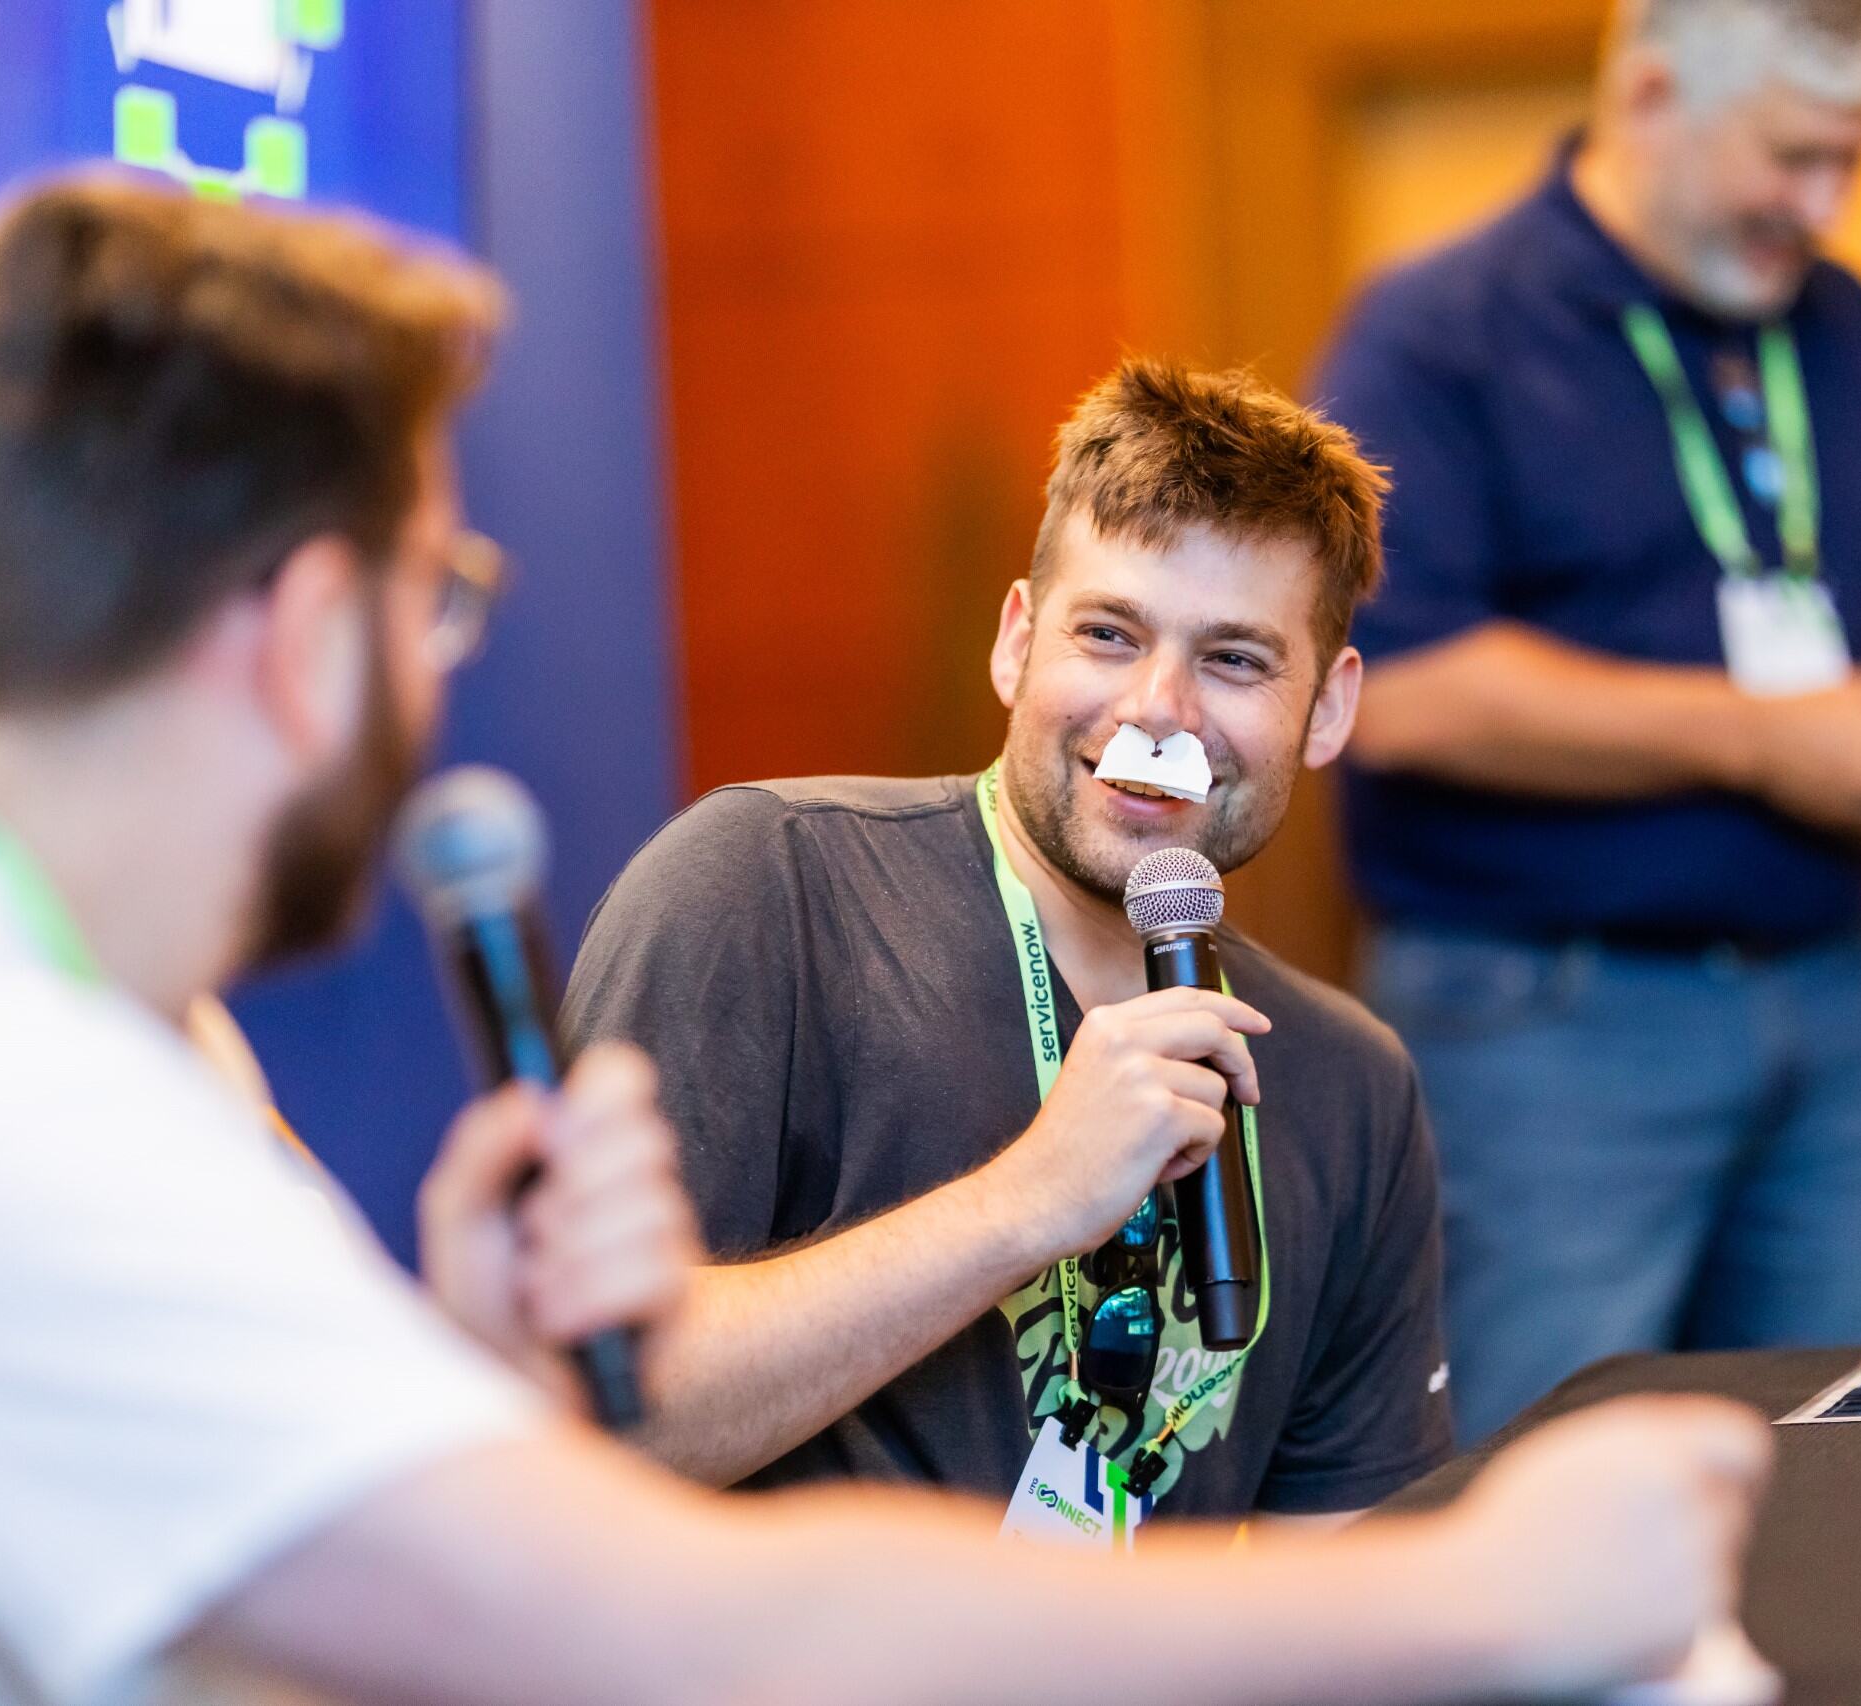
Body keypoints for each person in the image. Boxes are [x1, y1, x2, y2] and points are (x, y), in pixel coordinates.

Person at [0, 174, 1771, 1706]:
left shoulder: (45, 996)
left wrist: (490, 1372)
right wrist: (1480, 1590)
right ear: (303, 627)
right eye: (442, 600)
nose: (437, 680)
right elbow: (658, 1639)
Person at [1313, 0, 1861, 1444]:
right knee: (1547, 1471)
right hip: (1548, 1020)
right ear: (1651, 92)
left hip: (1832, 995)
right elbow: (1395, 691)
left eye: (1853, 161)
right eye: (1794, 157)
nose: (1827, 206)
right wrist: (1767, 734)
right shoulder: (1436, 331)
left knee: (1859, 1464)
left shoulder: (1851, 330)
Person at [563, 358, 1471, 1529]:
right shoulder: (769, 884)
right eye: (1108, 633)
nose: (1159, 711)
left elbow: (1349, 1599)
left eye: (1234, 659)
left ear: (1330, 708)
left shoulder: (1351, 1082)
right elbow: (594, 1428)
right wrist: (1030, 1198)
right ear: (1015, 643)